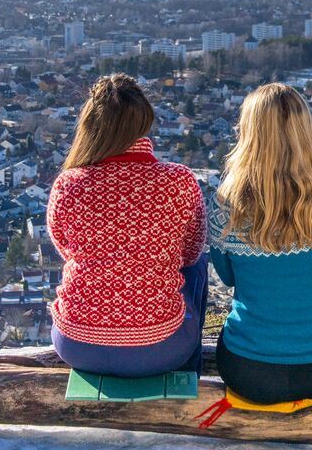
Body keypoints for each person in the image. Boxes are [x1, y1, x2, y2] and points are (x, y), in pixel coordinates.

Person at [47, 73, 208, 378]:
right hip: (162, 348)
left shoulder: (69, 184)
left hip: (77, 345)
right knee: (197, 263)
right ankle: (190, 370)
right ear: (144, 121)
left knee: (81, 261)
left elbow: (65, 248)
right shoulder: (178, 181)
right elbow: (189, 253)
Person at [209, 83, 312, 403]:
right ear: (307, 132)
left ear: (249, 134)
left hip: (249, 367)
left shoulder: (225, 208)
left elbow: (229, 278)